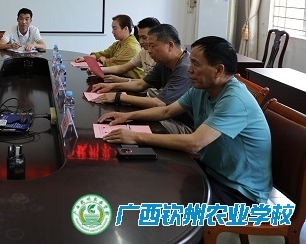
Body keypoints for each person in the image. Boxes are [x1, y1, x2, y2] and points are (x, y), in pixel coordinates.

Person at [99, 36, 272, 205]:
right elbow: (166, 111)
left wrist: (136, 136)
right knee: (150, 178)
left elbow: (194, 143)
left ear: (218, 70)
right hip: (211, 171)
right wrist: (127, 116)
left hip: (240, 191)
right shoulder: (203, 87)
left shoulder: (235, 100)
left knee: (163, 200)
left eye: (196, 63)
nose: (189, 69)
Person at [92, 24, 193, 133]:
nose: (149, 50)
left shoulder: (185, 68)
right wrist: (112, 86)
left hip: (185, 125)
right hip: (168, 115)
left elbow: (159, 103)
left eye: (152, 46)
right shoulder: (164, 62)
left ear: (170, 46)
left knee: (134, 127)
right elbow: (141, 85)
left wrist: (118, 96)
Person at [74, 14, 142, 79]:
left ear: (125, 29)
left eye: (115, 28)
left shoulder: (131, 47)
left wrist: (104, 60)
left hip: (132, 82)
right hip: (119, 78)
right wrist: (86, 58)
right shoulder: (118, 44)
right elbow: (104, 53)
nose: (112, 32)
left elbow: (114, 63)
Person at [98, 17, 160, 83]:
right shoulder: (143, 51)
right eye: (139, 37)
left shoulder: (132, 47)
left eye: (144, 38)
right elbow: (122, 68)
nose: (141, 42)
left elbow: (147, 83)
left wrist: (120, 80)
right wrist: (98, 69)